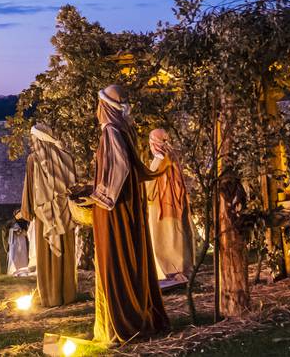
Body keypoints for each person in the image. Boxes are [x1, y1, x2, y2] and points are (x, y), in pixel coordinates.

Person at [86, 85, 169, 343]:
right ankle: (139, 313)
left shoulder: (110, 132)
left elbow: (119, 167)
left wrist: (98, 196)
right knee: (132, 253)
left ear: (106, 106)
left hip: (116, 208)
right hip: (129, 202)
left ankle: (123, 321)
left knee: (117, 255)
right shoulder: (124, 129)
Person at [19, 123, 79, 307]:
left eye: (33, 138)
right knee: (66, 255)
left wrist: (26, 211)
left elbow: (30, 188)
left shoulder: (34, 159)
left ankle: (50, 296)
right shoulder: (66, 156)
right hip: (65, 214)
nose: (31, 142)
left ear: (39, 139)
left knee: (47, 257)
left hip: (44, 216)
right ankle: (68, 294)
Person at [146, 128, 195, 283]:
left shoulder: (159, 158)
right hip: (175, 203)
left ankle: (169, 271)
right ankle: (182, 268)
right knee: (178, 235)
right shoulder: (174, 155)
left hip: (160, 205)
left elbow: (149, 185)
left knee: (163, 237)